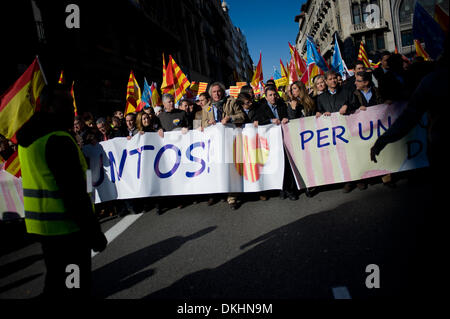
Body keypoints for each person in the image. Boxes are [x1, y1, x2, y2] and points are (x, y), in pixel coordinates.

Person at [16, 84, 107, 298]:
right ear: (48, 107)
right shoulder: (57, 139)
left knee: (57, 282)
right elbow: (74, 195)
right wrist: (94, 235)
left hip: (46, 229)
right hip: (68, 231)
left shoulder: (28, 138)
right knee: (73, 287)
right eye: (65, 104)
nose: (71, 110)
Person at [202, 82, 245, 209]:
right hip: (214, 144)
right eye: (214, 92)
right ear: (211, 94)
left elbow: (241, 116)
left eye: (219, 91)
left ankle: (232, 197)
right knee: (216, 168)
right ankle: (216, 192)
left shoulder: (231, 102)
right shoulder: (206, 108)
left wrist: (230, 119)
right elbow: (201, 124)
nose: (217, 94)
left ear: (222, 92)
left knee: (230, 166)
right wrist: (207, 123)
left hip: (229, 141)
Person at [343, 70, 384, 193]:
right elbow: (348, 105)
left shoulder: (377, 91)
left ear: (366, 82)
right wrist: (355, 108)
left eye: (358, 81)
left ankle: (385, 176)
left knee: (380, 151)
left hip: (376, 127)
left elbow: (382, 103)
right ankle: (361, 178)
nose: (355, 82)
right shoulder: (353, 94)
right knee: (361, 153)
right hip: (360, 130)